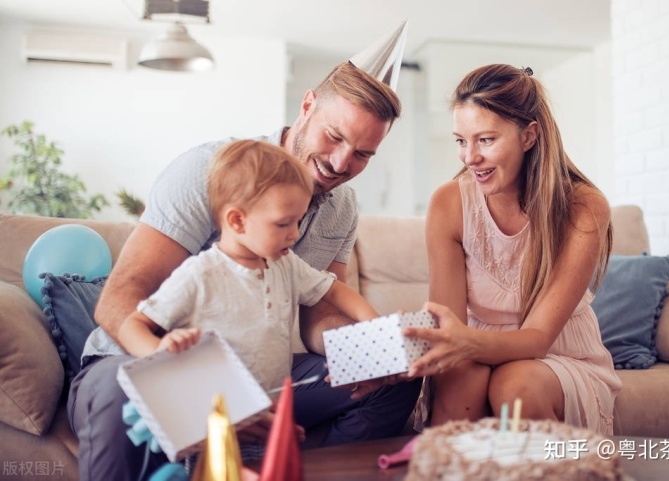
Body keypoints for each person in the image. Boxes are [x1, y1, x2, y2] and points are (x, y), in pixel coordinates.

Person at [68, 21, 422, 481]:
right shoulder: (209, 171)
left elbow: (319, 317)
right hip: (138, 362)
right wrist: (206, 390)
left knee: (391, 387)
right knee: (122, 393)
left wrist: (370, 351)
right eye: (334, 137)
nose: (340, 164)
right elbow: (119, 304)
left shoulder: (342, 208)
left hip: (256, 376)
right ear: (308, 104)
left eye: (362, 154)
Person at [404, 64, 622, 435]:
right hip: (472, 344)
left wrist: (463, 342)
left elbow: (537, 338)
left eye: (485, 140)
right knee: (462, 380)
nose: (469, 157)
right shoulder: (448, 204)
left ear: (529, 136)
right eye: (461, 140)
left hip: (557, 353)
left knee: (515, 386)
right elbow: (449, 321)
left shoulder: (583, 206)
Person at [116, 139, 380, 391]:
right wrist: (158, 350)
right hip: (215, 408)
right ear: (237, 221)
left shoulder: (286, 264)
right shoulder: (199, 274)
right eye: (283, 223)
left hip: (270, 404)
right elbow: (132, 326)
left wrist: (375, 327)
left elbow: (333, 291)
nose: (295, 233)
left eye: (297, 221)